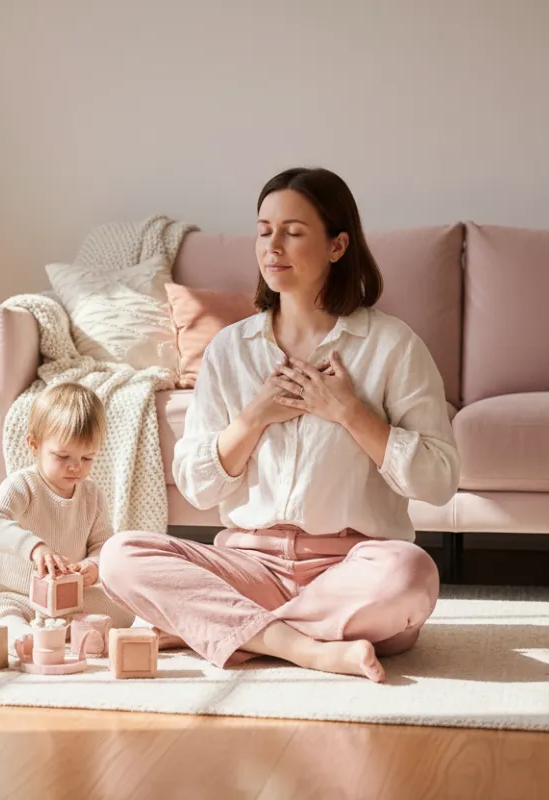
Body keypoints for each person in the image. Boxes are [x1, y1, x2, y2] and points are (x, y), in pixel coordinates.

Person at [99, 167, 460, 682]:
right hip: (250, 567)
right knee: (120, 555)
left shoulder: (393, 346)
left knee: (411, 574)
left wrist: (349, 413)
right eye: (264, 231)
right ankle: (307, 647)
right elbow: (198, 487)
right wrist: (255, 416)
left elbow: (439, 479)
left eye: (292, 232)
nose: (272, 246)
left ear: (337, 246)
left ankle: (216, 626)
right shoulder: (230, 349)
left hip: (351, 570)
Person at [0, 382, 134, 649]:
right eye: (63, 456)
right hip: (20, 595)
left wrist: (93, 566)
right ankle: (27, 634)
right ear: (34, 444)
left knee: (125, 608)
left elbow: (103, 545)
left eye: (87, 458)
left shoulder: (92, 495)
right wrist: (34, 547)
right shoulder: (22, 485)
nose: (76, 467)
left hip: (70, 599)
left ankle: (60, 627)